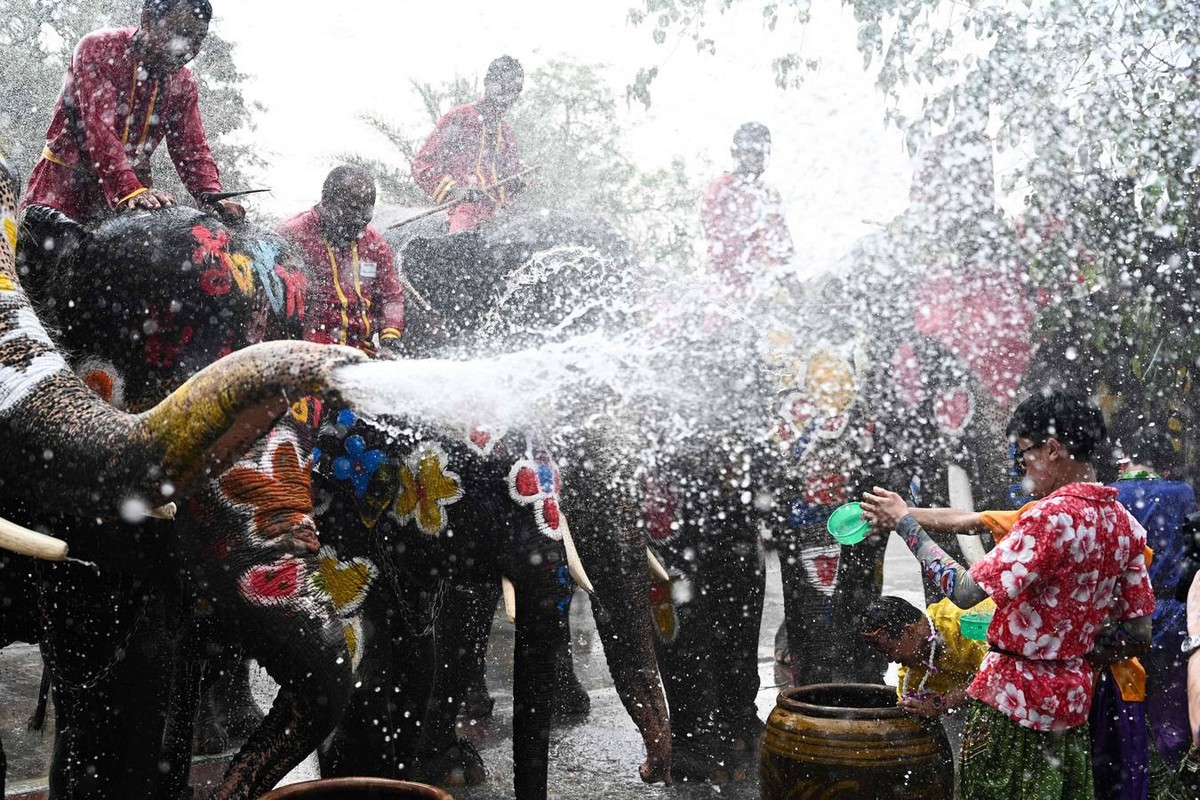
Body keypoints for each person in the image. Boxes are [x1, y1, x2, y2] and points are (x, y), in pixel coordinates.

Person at [861, 390, 1156, 799]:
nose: (1022, 468)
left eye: (1023, 454)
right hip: (1071, 707)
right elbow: (1138, 633)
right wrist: (1069, 654)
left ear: (1053, 449)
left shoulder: (1047, 518)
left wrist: (908, 528)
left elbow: (964, 593)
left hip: (1010, 705)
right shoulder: (1124, 523)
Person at [20, 0, 243, 226]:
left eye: (198, 41)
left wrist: (212, 195)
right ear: (147, 20)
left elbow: (192, 149)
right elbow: (99, 130)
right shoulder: (99, 48)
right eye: (181, 34)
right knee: (43, 255)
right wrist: (130, 190)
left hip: (131, 203)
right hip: (62, 191)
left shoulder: (183, 83)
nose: (189, 49)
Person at [1113, 425, 1197, 772]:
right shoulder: (1182, 492)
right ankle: (1175, 774)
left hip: (1127, 616)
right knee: (1171, 703)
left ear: (1129, 457)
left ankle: (1133, 772)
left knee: (1128, 697)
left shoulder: (1111, 493)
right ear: (1165, 465)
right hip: (1175, 612)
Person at [278, 165, 404, 356]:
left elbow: (391, 297)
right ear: (327, 202)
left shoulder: (374, 243)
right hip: (306, 358)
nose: (360, 219)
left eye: (367, 211)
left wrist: (389, 343)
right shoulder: (292, 236)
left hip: (362, 356)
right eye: (353, 209)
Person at [411, 56, 526, 233]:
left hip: (502, 214)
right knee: (461, 247)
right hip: (466, 213)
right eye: (503, 87)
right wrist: (455, 191)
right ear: (488, 82)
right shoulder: (460, 118)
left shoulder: (506, 132)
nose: (508, 97)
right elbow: (422, 164)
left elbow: (509, 176)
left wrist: (520, 180)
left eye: (515, 91)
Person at [699, 122, 795, 301]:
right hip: (730, 294)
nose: (756, 158)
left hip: (770, 292)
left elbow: (784, 248)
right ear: (736, 153)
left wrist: (795, 291)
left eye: (761, 152)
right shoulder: (722, 189)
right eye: (750, 151)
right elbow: (724, 244)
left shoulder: (769, 194)